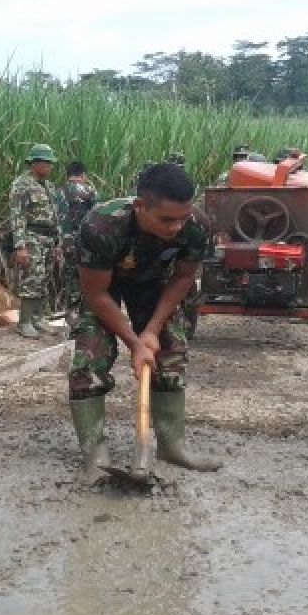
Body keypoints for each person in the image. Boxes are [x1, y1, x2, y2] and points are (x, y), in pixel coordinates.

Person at [69, 163, 222, 484]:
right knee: (90, 360)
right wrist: (134, 343)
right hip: (102, 286)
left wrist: (151, 331)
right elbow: (96, 294)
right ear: (140, 206)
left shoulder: (196, 225)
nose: (177, 227)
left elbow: (182, 278)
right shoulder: (101, 226)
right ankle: (94, 452)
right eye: (167, 219)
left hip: (156, 284)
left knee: (170, 352)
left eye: (182, 217)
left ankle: (171, 444)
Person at [9, 143, 63, 338]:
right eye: (46, 163)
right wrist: (20, 246)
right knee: (33, 277)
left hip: (48, 238)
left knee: (44, 278)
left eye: (50, 163)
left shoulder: (49, 186)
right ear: (34, 163)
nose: (49, 167)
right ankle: (24, 321)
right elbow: (17, 216)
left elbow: (55, 215)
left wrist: (58, 243)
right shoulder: (22, 185)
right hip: (32, 236)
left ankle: (38, 318)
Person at [58, 160, 98, 324]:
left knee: (71, 277)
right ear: (83, 175)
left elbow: (56, 217)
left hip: (66, 241)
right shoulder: (89, 191)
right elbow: (96, 216)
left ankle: (72, 314)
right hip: (86, 241)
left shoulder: (59, 191)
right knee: (88, 274)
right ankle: (87, 313)